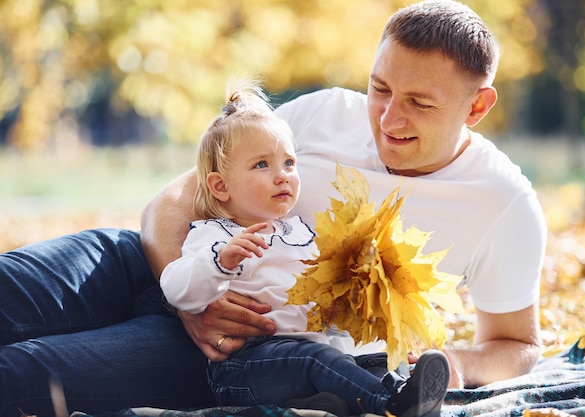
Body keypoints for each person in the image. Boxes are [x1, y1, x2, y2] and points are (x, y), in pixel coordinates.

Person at [0, 1, 546, 416]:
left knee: (24, 374)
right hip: (147, 262)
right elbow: (172, 198)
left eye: (419, 104)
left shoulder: (504, 204)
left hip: (235, 349)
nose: (386, 119)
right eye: (380, 88)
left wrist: (457, 365)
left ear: (477, 106)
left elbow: (516, 344)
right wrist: (187, 296)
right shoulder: (323, 113)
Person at [158, 77, 450, 417]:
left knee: (371, 356)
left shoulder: (302, 234)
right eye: (262, 165)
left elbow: (324, 302)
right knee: (316, 360)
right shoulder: (213, 236)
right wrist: (219, 264)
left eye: (289, 163)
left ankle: (381, 391)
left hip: (313, 356)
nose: (282, 175)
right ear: (221, 186)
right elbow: (176, 289)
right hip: (248, 366)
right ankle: (394, 405)